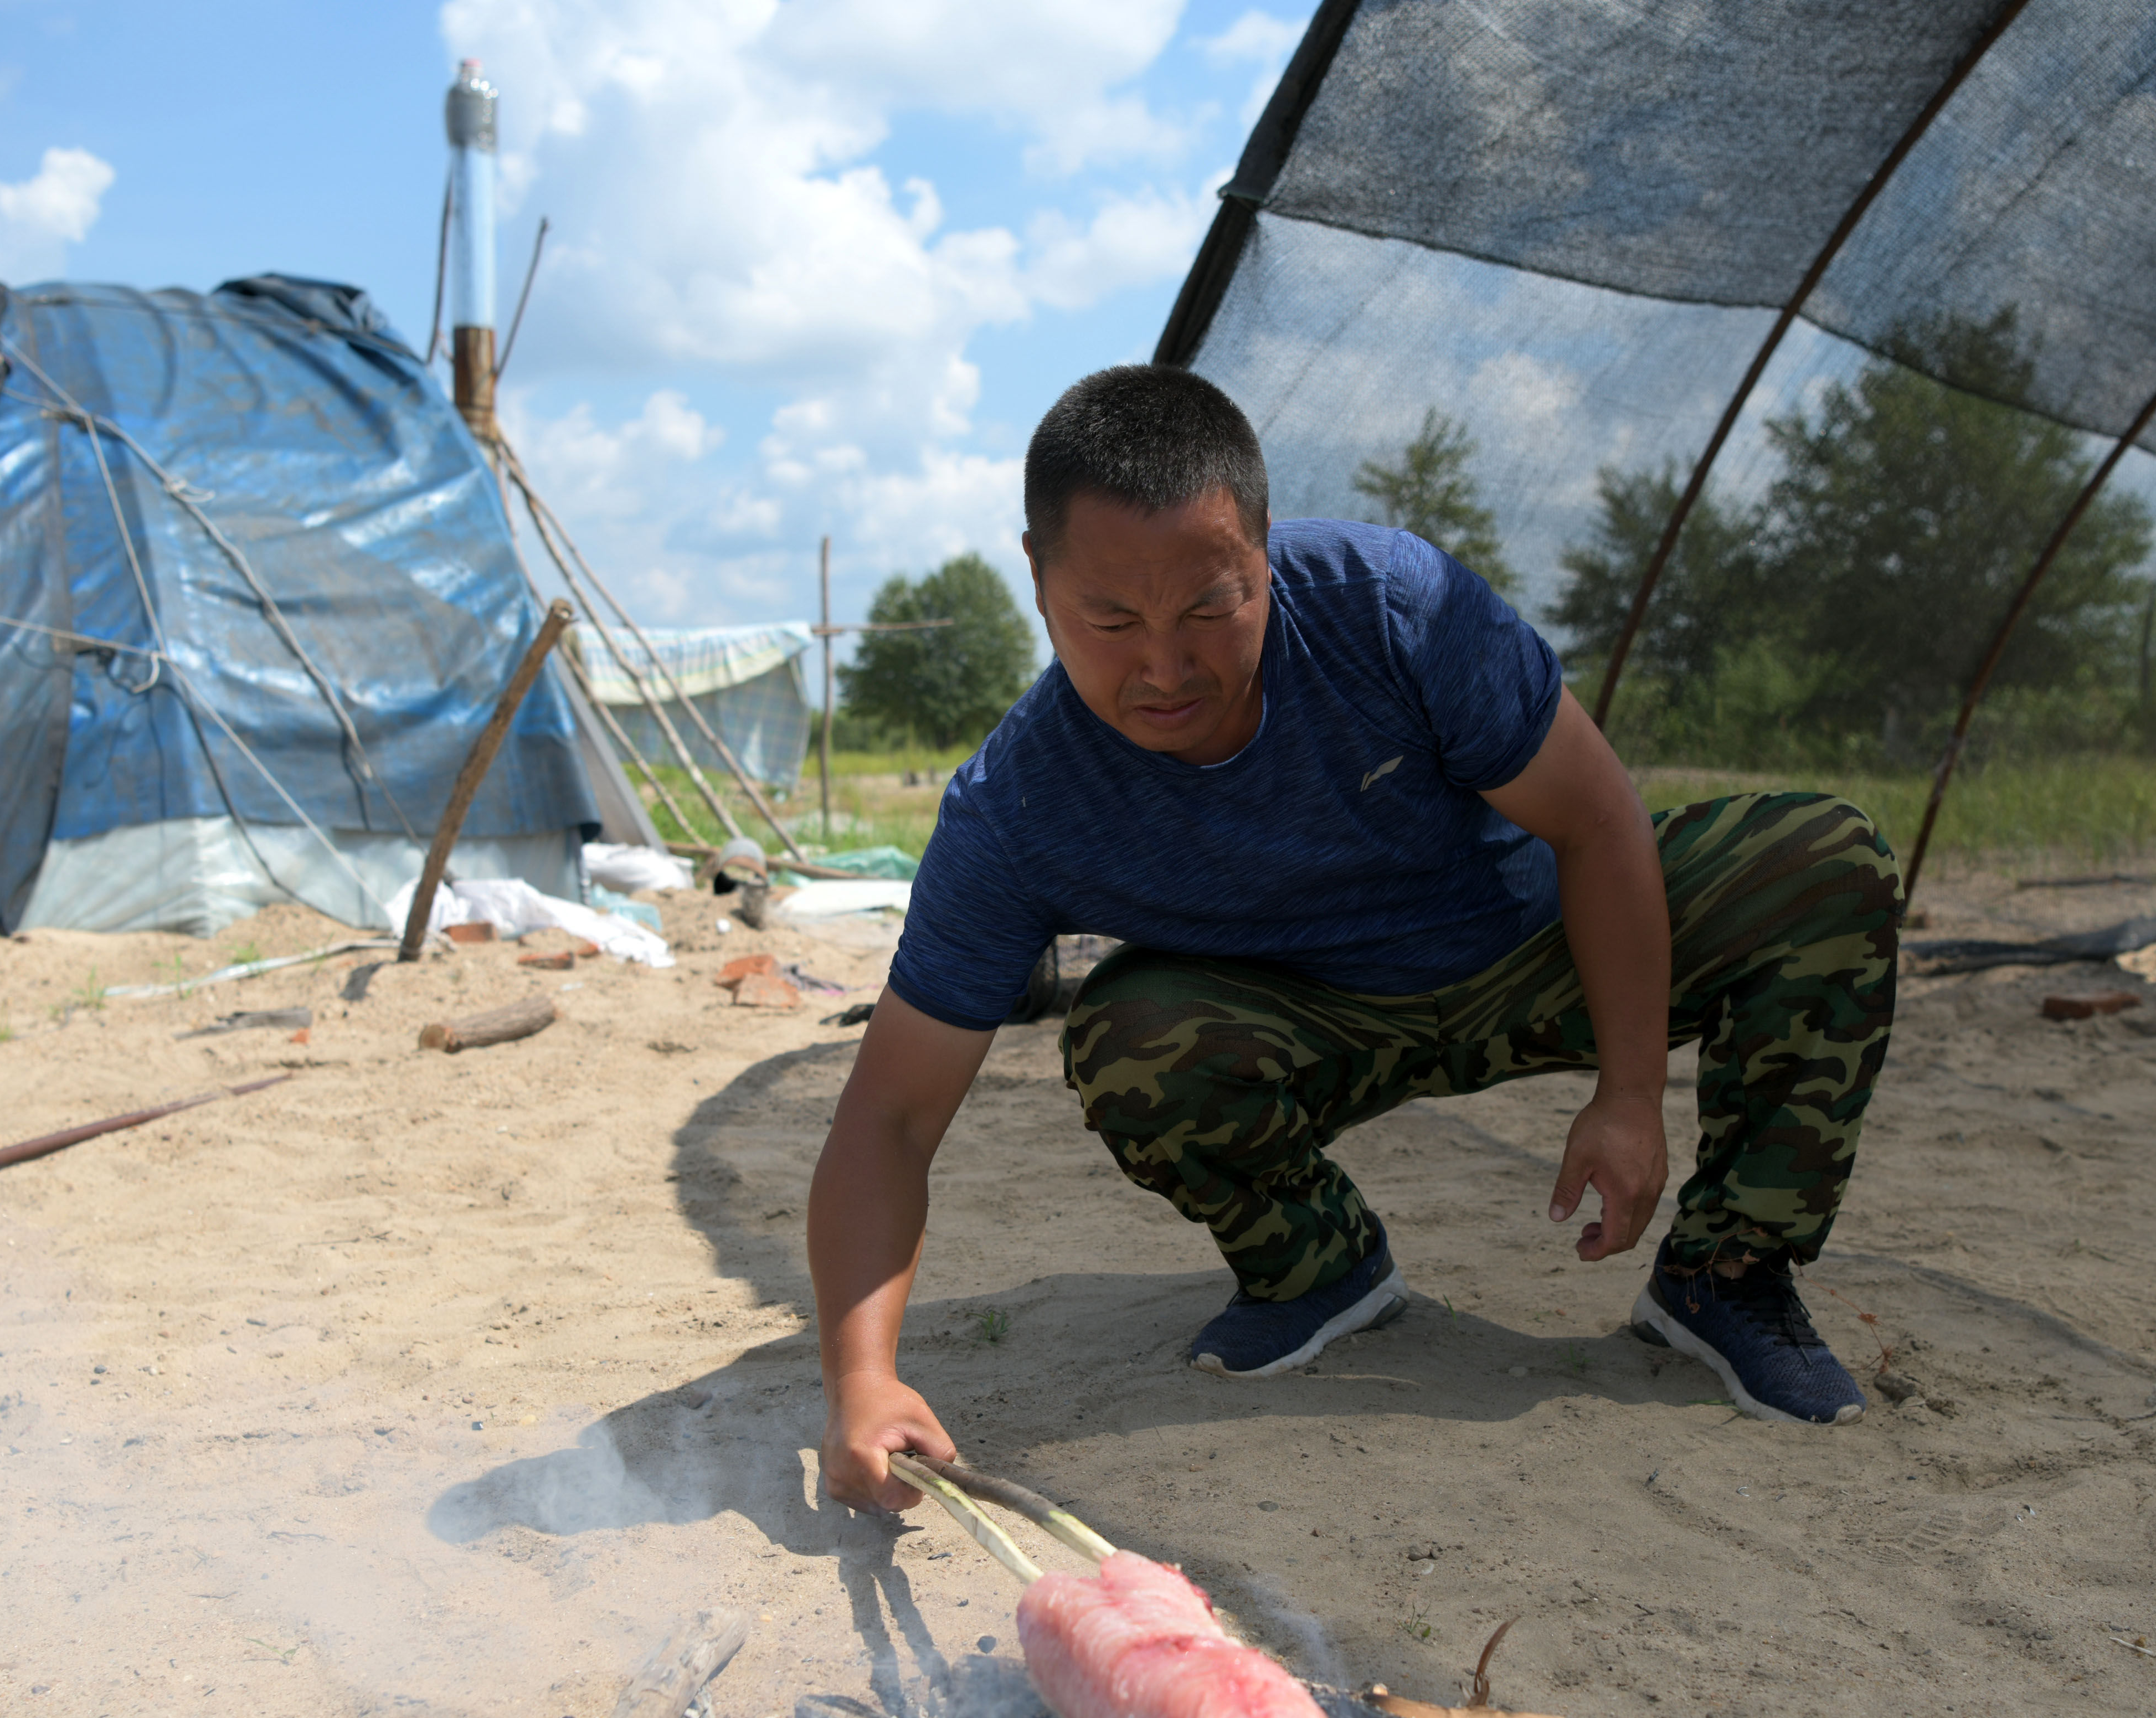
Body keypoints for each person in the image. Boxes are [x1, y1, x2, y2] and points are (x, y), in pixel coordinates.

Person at [809, 367, 1900, 1514]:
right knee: (1133, 1031)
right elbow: (888, 1116)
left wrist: (1631, 1093)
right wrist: (862, 1378)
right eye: (1113, 622)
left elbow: (1598, 816)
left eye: (1211, 607)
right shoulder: (1018, 808)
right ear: (1037, 580)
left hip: (1537, 950)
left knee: (1823, 859)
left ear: (1266, 550)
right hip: (1322, 1021)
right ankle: (1318, 1271)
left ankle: (1726, 1274)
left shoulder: (1391, 605)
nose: (1167, 669)